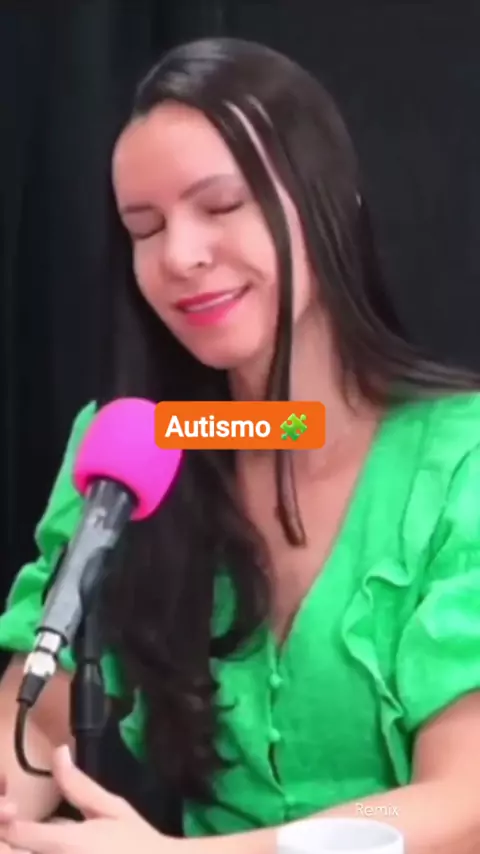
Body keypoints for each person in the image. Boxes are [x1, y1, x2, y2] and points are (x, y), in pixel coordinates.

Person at [1, 35, 480, 854]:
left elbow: (463, 803)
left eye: (221, 207)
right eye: (144, 228)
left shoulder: (457, 457)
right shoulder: (139, 442)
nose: (180, 257)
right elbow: (38, 723)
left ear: (331, 201)